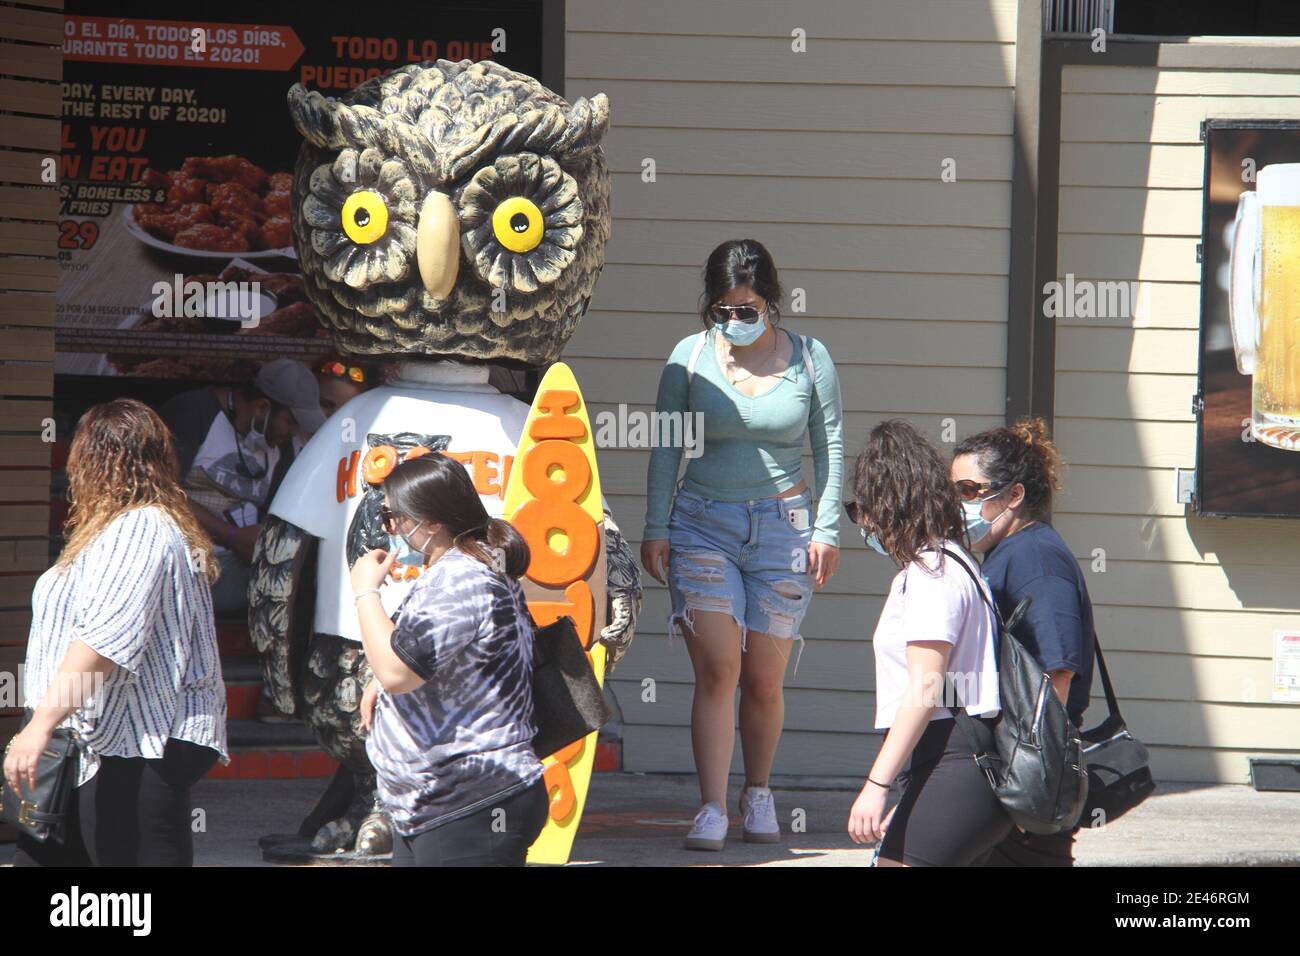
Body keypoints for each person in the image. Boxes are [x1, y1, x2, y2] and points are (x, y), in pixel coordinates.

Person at [640, 238, 844, 850]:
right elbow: (666, 447)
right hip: (702, 524)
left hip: (785, 527)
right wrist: (656, 525)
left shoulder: (811, 358)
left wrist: (827, 529)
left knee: (762, 678)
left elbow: (830, 446)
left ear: (771, 301)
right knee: (719, 668)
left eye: (748, 306)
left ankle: (758, 791)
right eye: (724, 309)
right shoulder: (688, 356)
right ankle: (710, 806)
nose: (736, 318)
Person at [5, 399, 229, 867]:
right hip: (97, 738)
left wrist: (39, 726)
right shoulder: (115, 529)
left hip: (139, 737)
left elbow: (105, 643)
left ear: (93, 459)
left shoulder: (140, 528)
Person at [349, 453, 547, 867]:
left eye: (394, 516)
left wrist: (365, 591)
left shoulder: (462, 577)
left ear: (432, 520)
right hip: (437, 802)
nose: (391, 528)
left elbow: (397, 671)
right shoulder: (470, 564)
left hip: (470, 799)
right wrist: (381, 683)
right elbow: (425, 656)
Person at [845, 419, 1012, 866]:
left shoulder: (930, 574)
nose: (864, 522)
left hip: (954, 757)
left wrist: (876, 786)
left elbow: (926, 688)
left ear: (888, 503)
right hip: (955, 760)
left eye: (862, 507)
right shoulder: (957, 563)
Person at [952, 417, 1096, 867]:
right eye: (953, 491)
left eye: (970, 491)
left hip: (1025, 783)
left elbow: (1058, 672)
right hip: (1005, 772)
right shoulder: (1006, 553)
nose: (959, 504)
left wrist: (1030, 784)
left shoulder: (1035, 556)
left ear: (1014, 495)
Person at [159, 359, 326, 613]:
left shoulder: (282, 447)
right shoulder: (195, 413)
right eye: (290, 422)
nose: (293, 432)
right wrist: (231, 536)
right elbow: (161, 494)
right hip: (188, 561)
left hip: (242, 565)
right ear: (262, 407)